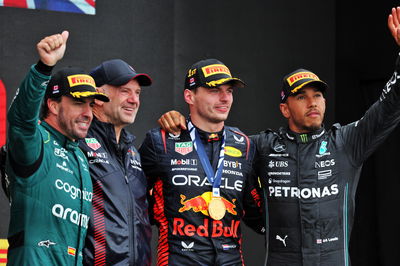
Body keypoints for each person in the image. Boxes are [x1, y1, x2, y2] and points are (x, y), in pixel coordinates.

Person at [159, 7, 400, 266]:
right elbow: (210, 140)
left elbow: (389, 108)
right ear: (285, 108)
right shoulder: (261, 146)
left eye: (317, 95)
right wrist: (179, 120)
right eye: (301, 96)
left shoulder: (346, 142)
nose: (312, 103)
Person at [139, 59, 264, 266]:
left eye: (230, 91)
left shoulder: (245, 145)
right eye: (214, 90)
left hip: (231, 260)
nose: (225, 98)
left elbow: (256, 212)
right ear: (190, 96)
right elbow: (134, 203)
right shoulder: (160, 141)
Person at [5, 31, 109, 265]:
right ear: (52, 105)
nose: (87, 113)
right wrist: (43, 68)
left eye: (91, 105)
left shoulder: (80, 156)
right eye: (78, 103)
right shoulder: (36, 142)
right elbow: (21, 120)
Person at [79, 59, 152, 265]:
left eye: (137, 93)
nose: (134, 100)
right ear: (99, 97)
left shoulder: (132, 152)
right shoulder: (76, 143)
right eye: (124, 91)